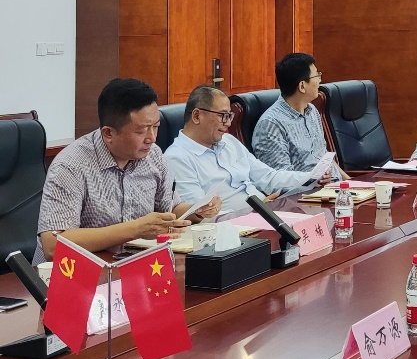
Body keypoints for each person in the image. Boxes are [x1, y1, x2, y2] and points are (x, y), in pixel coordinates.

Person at [34, 78, 220, 264]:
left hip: (133, 265)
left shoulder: (153, 155)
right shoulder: (70, 166)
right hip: (75, 271)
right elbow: (53, 245)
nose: (152, 138)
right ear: (108, 133)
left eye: (156, 127)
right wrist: (136, 229)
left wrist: (197, 210)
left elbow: (170, 208)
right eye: (141, 131)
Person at [165, 85, 327, 213]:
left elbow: (267, 177)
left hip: (264, 214)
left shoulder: (229, 142)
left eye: (230, 116)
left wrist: (311, 177)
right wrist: (254, 211)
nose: (228, 123)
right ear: (197, 116)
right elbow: (200, 213)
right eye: (223, 116)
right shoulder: (177, 158)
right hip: (231, 230)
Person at [252, 52, 343, 179]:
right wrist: (314, 180)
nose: (319, 80)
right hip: (309, 190)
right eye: (316, 76)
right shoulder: (270, 125)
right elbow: (280, 179)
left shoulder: (312, 111)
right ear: (302, 86)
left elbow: (323, 156)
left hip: (335, 186)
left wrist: (352, 182)